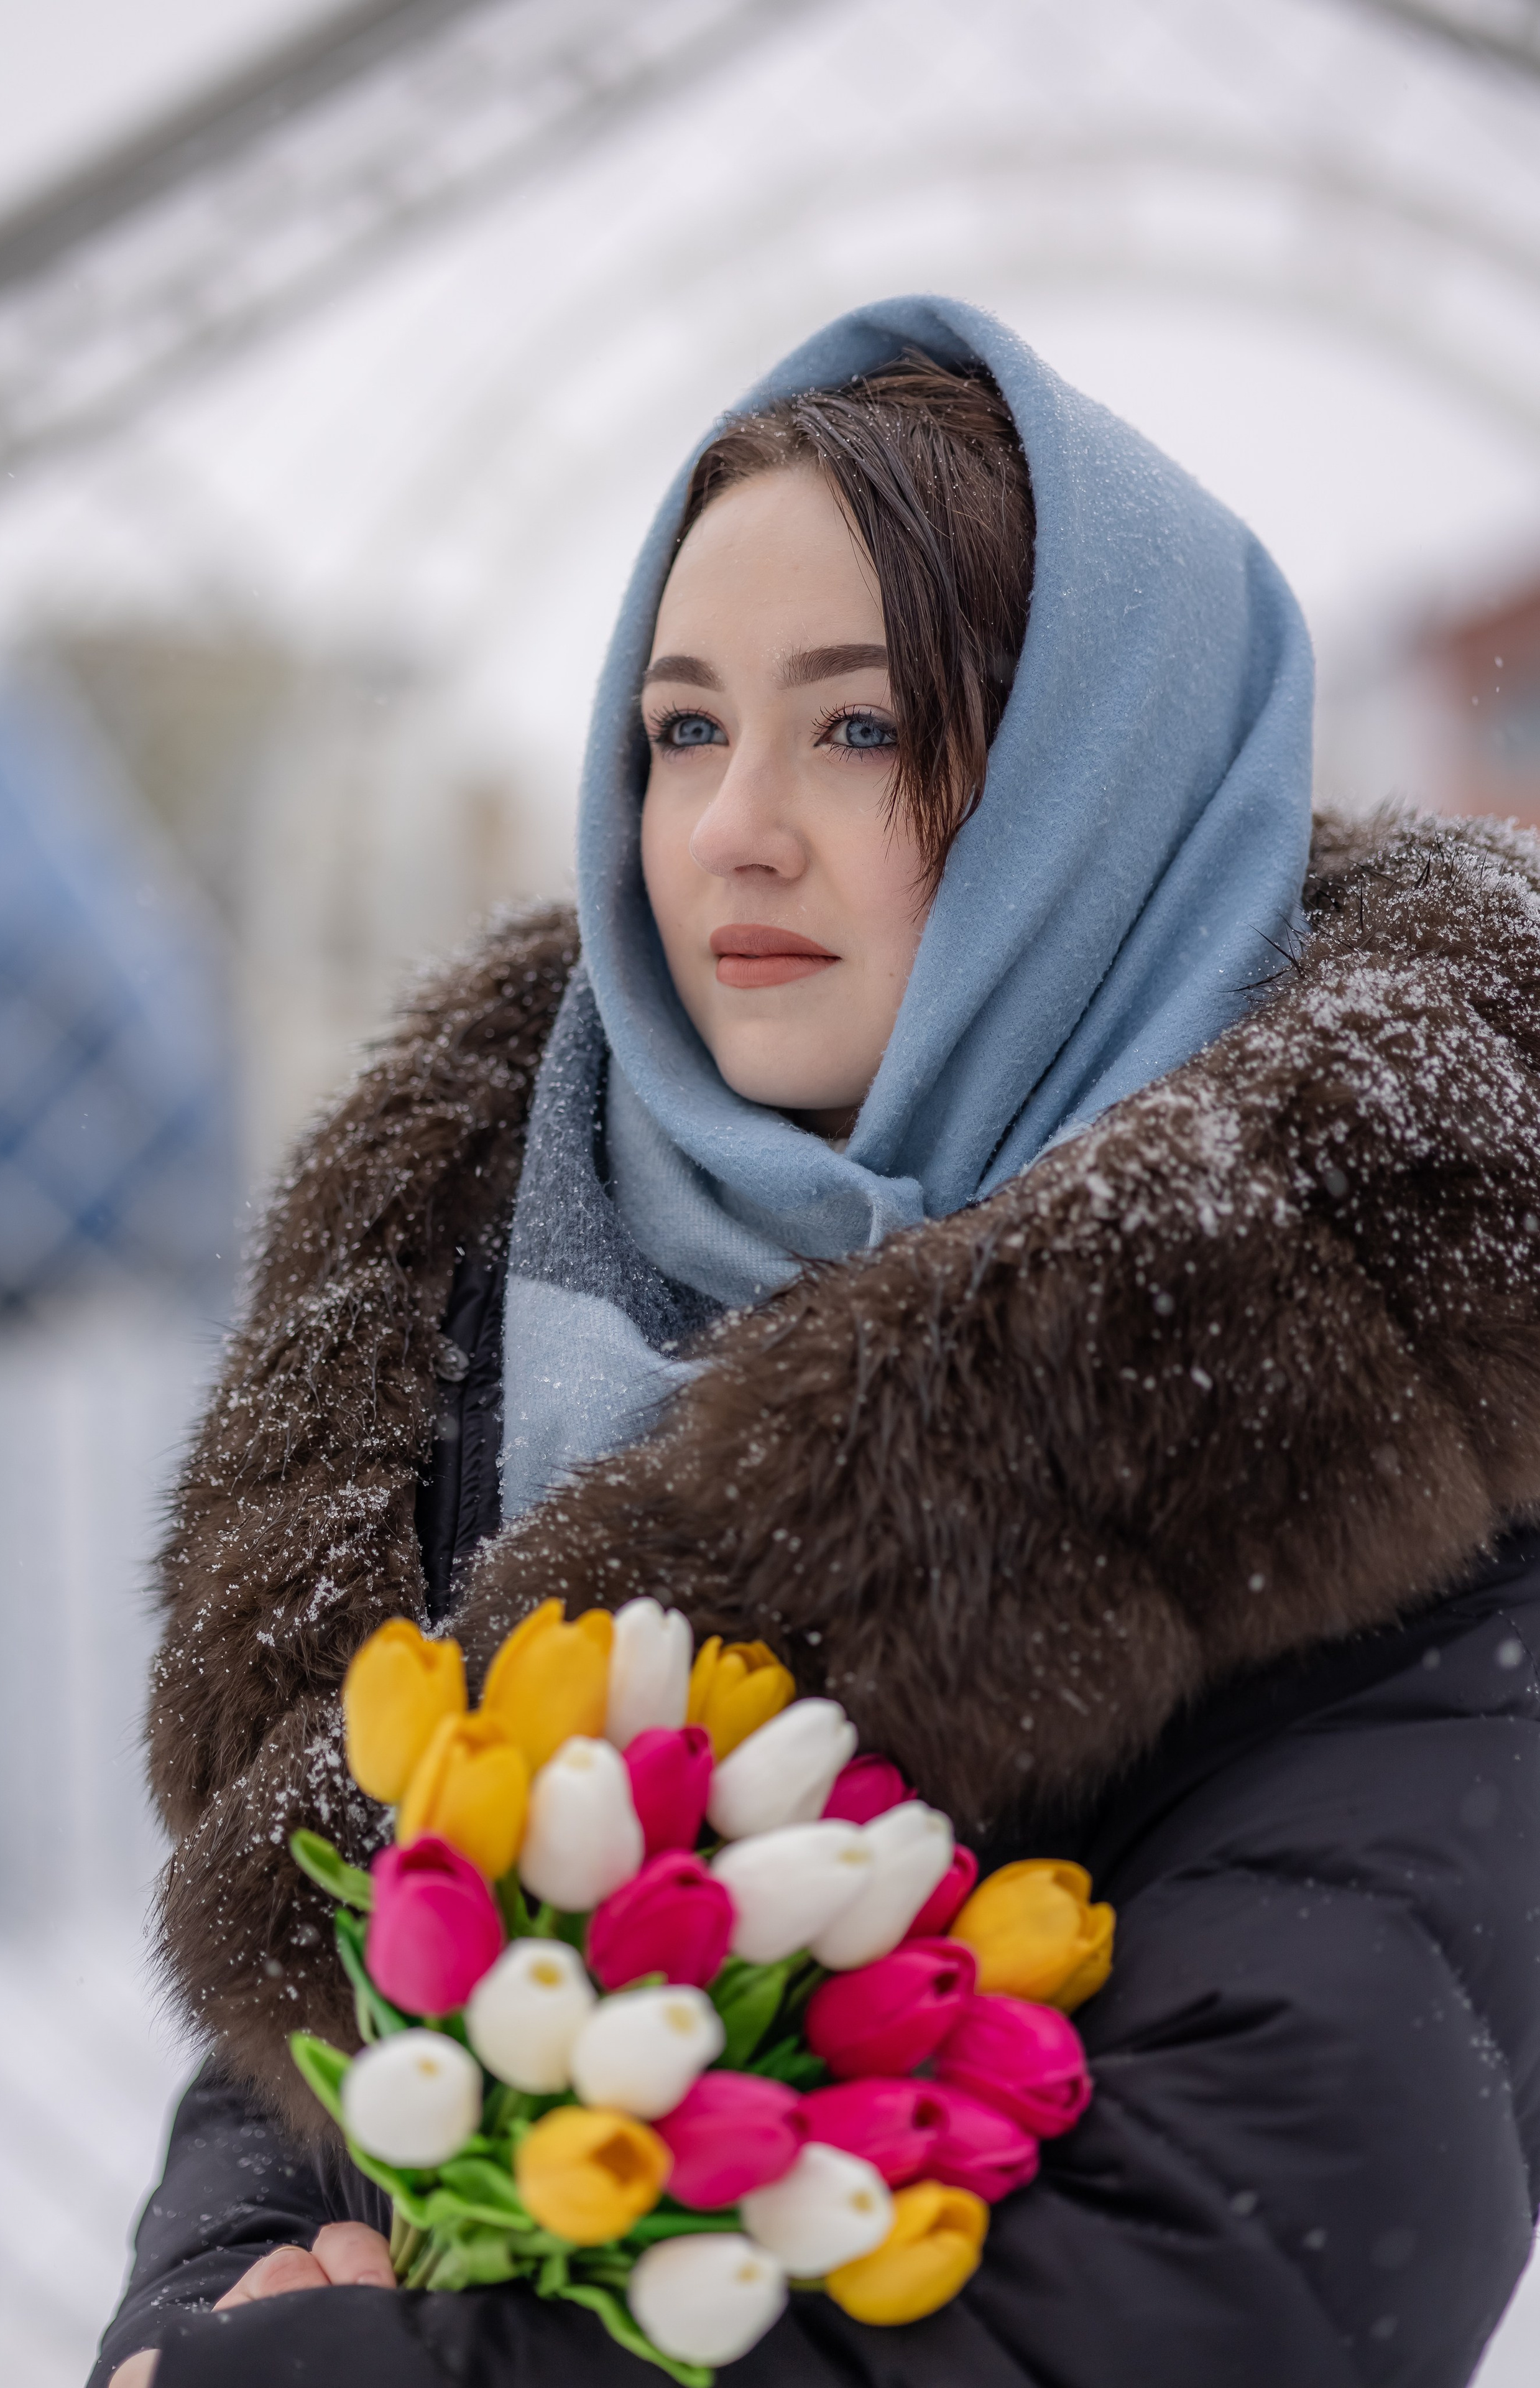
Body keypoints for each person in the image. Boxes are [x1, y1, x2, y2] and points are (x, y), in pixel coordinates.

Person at [97, 297, 1540, 2388]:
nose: (733, 829)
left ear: (1100, 790)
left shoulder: (1378, 1390)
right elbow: (289, 2062)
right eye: (684, 729)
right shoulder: (475, 1313)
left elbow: (1225, 2281)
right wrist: (198, 2325)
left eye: (856, 730)